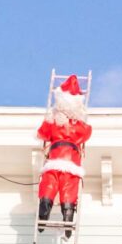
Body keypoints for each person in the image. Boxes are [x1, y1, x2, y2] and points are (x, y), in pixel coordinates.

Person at [36, 75, 91, 230]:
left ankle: (44, 210)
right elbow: (86, 133)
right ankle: (68, 214)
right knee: (69, 186)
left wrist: (48, 120)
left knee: (49, 183)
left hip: (54, 157)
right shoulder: (78, 124)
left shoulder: (53, 122)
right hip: (71, 159)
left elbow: (42, 133)